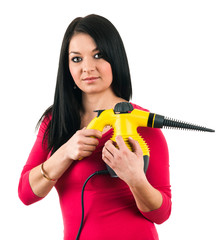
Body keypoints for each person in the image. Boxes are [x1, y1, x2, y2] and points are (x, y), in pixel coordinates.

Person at [18, 14, 171, 240]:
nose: (87, 68)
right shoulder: (56, 121)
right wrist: (66, 152)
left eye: (98, 55)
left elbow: (162, 213)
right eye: (77, 59)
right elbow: (26, 194)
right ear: (67, 66)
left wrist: (135, 179)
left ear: (115, 58)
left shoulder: (142, 124)